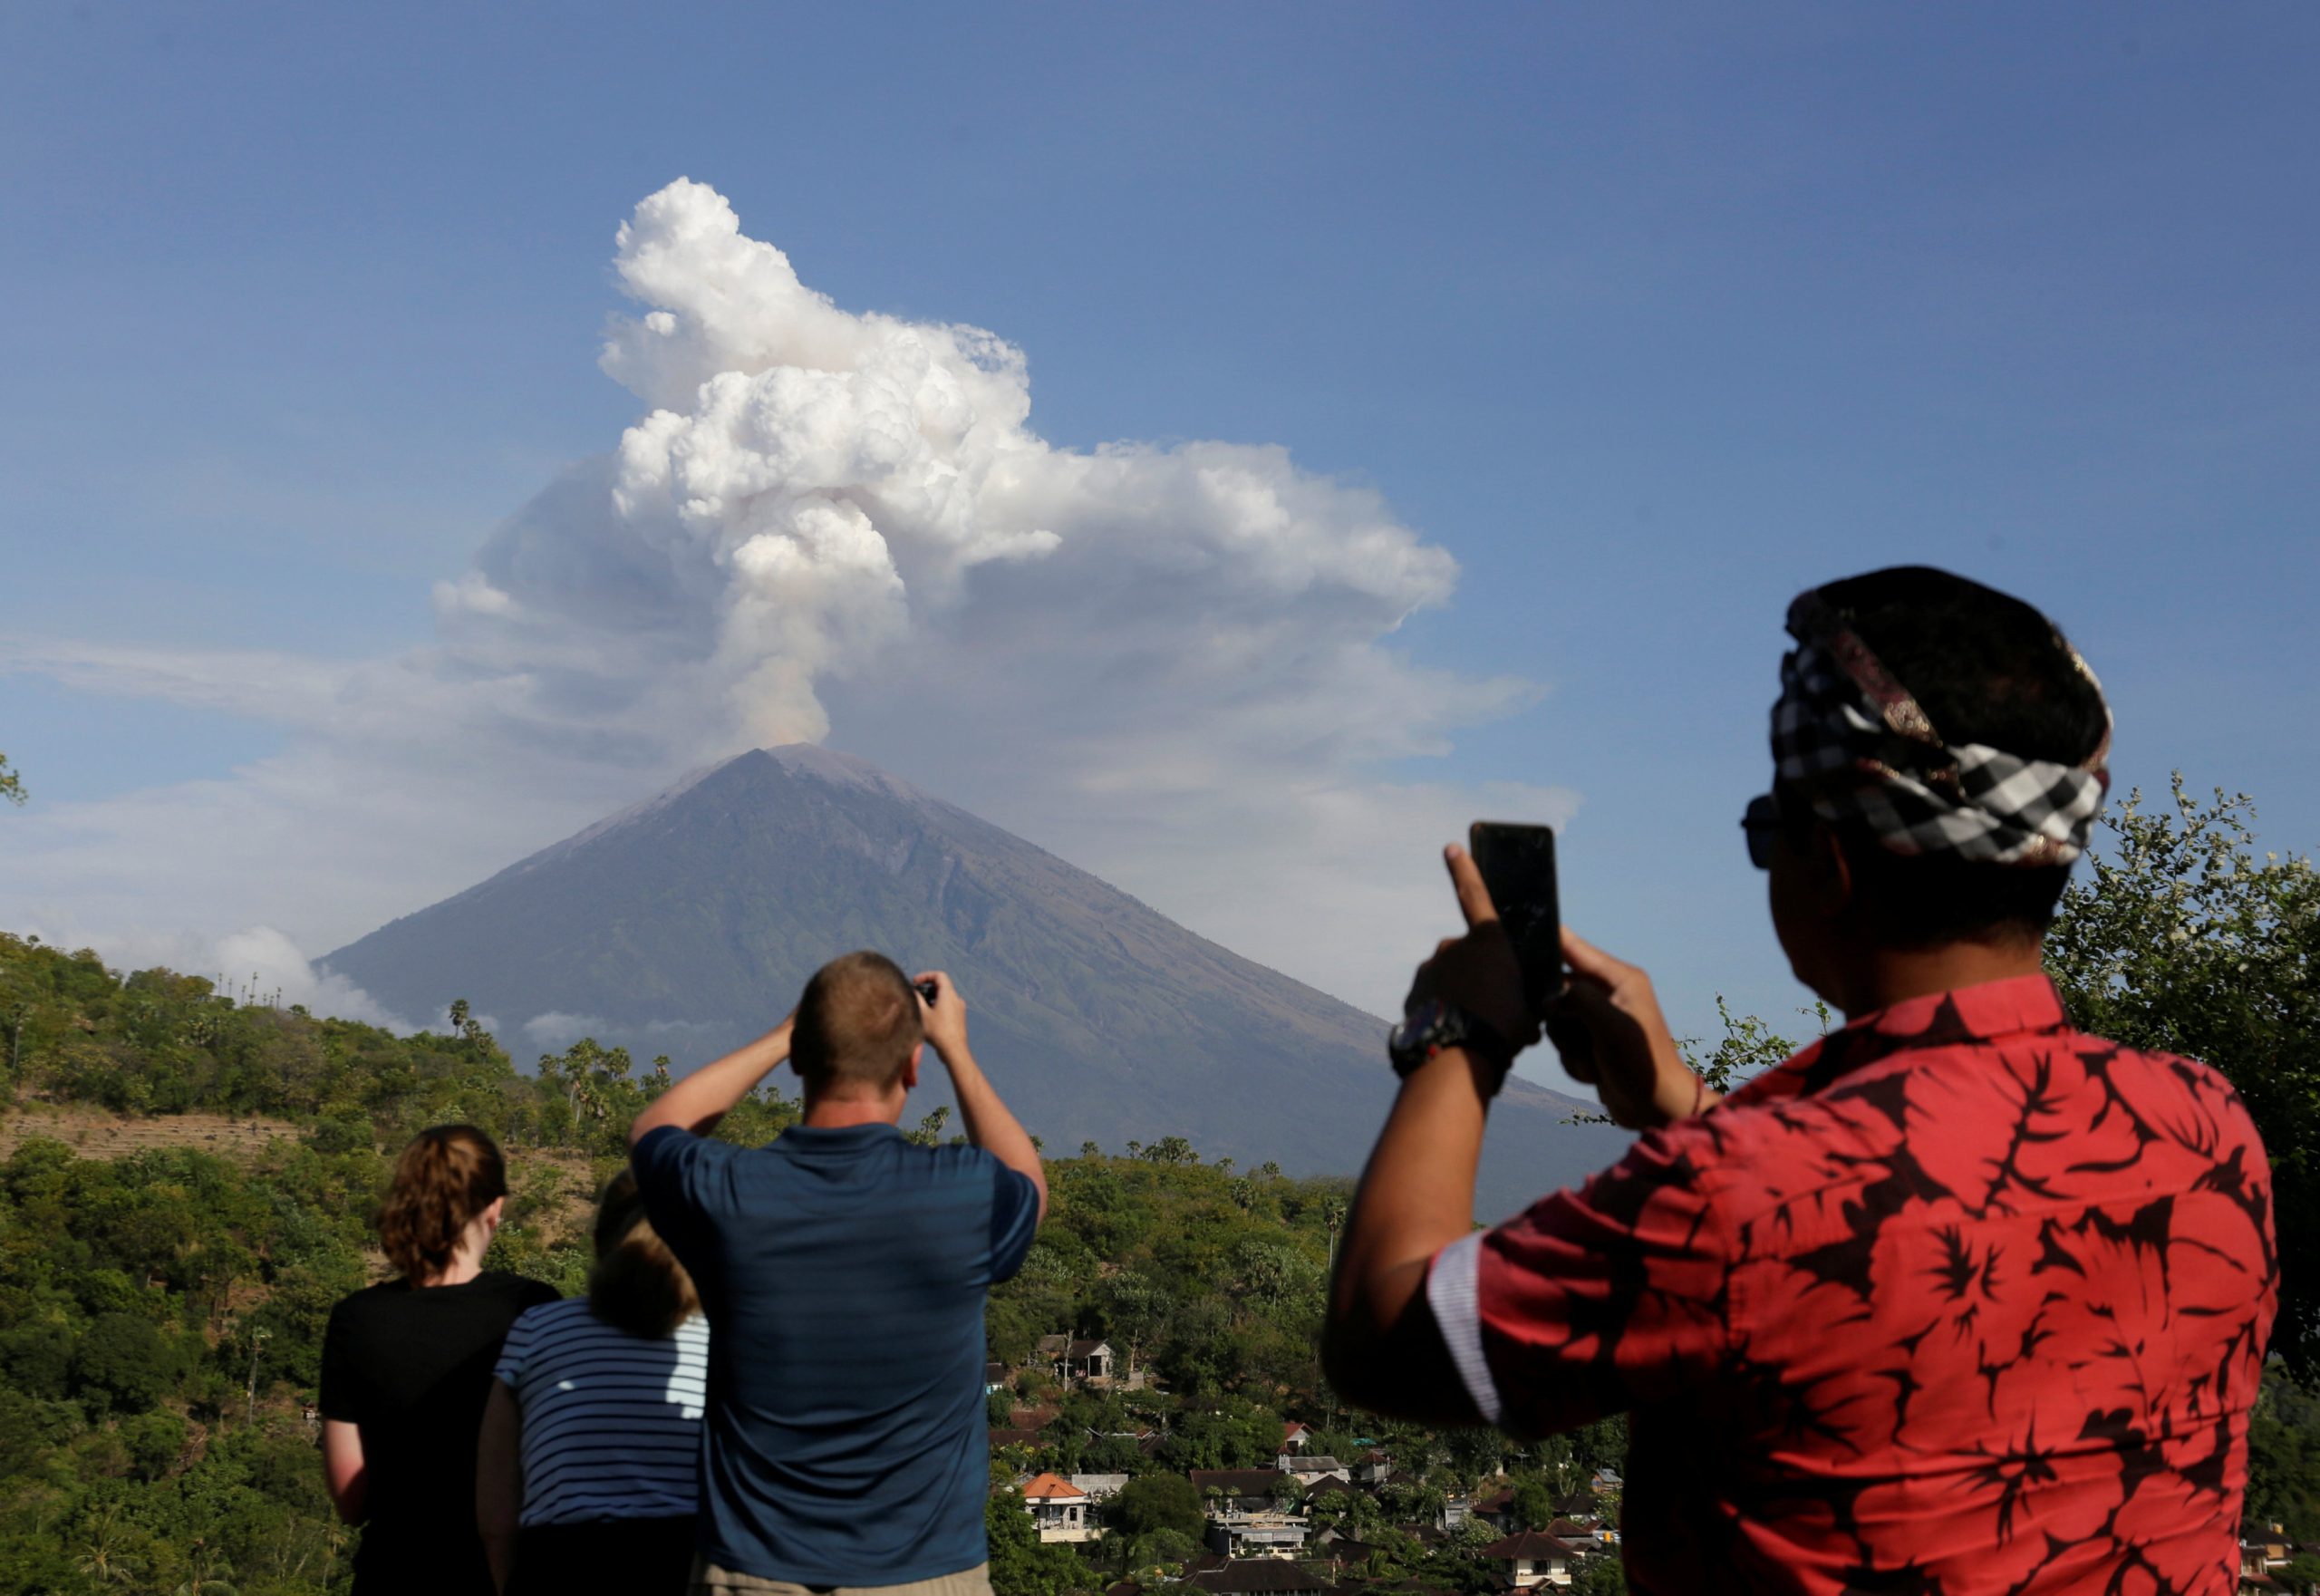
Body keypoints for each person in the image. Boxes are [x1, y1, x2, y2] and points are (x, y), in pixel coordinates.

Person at [1323, 567, 2278, 1594]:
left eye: (1765, 827)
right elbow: (1906, 1197)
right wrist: (1683, 1107)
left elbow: (1385, 1336)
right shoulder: (2208, 1126)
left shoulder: (1742, 1195)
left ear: (1828, 862)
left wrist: (1461, 1036)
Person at [628, 952, 1047, 1596]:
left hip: (754, 1571)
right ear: (912, 1066)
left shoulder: (729, 1191)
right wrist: (956, 1050)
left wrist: (781, 1035)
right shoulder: (960, 1193)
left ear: (801, 1058)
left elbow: (654, 1129)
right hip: (925, 1573)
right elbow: (1028, 1182)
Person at [321, 1125, 560, 1596]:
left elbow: (351, 1501)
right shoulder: (533, 1308)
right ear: (494, 1208)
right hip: (507, 1574)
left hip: (392, 1574)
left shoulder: (357, 1318)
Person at [476, 1169, 710, 1595]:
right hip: (689, 1560)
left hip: (562, 1560)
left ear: (601, 1242)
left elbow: (496, 1512)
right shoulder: (728, 1336)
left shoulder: (537, 1327)